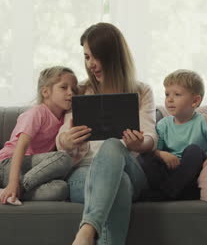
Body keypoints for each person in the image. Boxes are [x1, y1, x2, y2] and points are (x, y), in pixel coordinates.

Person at [56, 22, 157, 245]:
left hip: (130, 169)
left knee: (113, 144)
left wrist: (139, 144)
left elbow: (150, 137)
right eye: (86, 57)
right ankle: (89, 231)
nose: (90, 64)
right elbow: (62, 136)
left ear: (113, 56)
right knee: (117, 185)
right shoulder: (81, 90)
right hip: (85, 172)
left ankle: (86, 230)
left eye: (95, 57)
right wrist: (66, 139)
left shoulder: (141, 91)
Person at [0, 66, 78, 205]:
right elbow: (20, 147)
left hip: (30, 171)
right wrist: (13, 182)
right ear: (46, 92)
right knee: (64, 158)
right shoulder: (37, 113)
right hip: (8, 166)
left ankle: (4, 192)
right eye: (64, 87)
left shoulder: (65, 119)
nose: (71, 92)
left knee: (61, 189)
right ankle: (12, 188)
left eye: (74, 89)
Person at [139, 69, 207, 201]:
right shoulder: (163, 125)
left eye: (177, 94)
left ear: (195, 101)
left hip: (191, 176)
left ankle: (166, 194)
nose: (169, 99)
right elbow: (154, 150)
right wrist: (162, 154)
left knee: (194, 150)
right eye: (167, 94)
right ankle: (172, 192)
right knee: (146, 155)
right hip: (168, 173)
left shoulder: (203, 122)